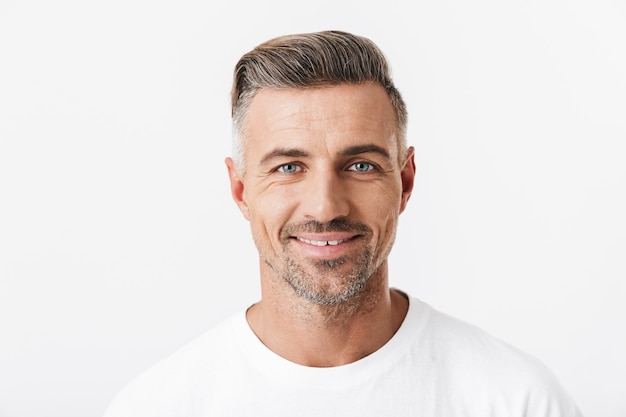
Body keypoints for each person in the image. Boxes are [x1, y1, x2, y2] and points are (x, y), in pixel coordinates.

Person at [103, 30, 583, 416]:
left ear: (406, 181)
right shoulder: (158, 406)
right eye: (289, 167)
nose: (325, 207)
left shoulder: (516, 400)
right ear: (242, 190)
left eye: (360, 165)